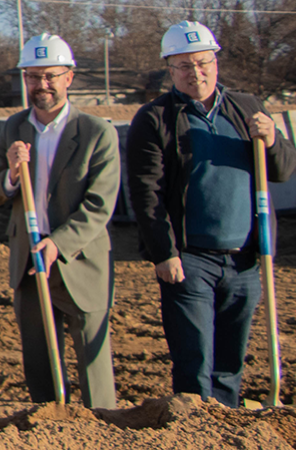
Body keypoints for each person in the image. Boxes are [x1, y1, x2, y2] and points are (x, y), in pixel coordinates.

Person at [126, 21, 296, 408]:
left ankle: (226, 437)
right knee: (194, 363)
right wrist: (163, 252)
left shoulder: (247, 107)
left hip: (247, 259)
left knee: (229, 364)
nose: (195, 73)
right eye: (184, 66)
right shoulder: (155, 119)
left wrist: (271, 140)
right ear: (170, 69)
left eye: (203, 62)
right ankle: (195, 438)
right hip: (189, 259)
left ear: (215, 62)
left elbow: (284, 170)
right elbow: (145, 191)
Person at [0, 34, 122, 408]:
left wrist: (60, 243)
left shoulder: (96, 132)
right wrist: (10, 174)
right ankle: (49, 429)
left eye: (51, 76)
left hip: (79, 259)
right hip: (28, 259)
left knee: (93, 360)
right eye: (34, 77)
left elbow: (100, 205)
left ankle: (103, 430)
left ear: (69, 77)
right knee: (39, 362)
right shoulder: (13, 128)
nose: (42, 85)